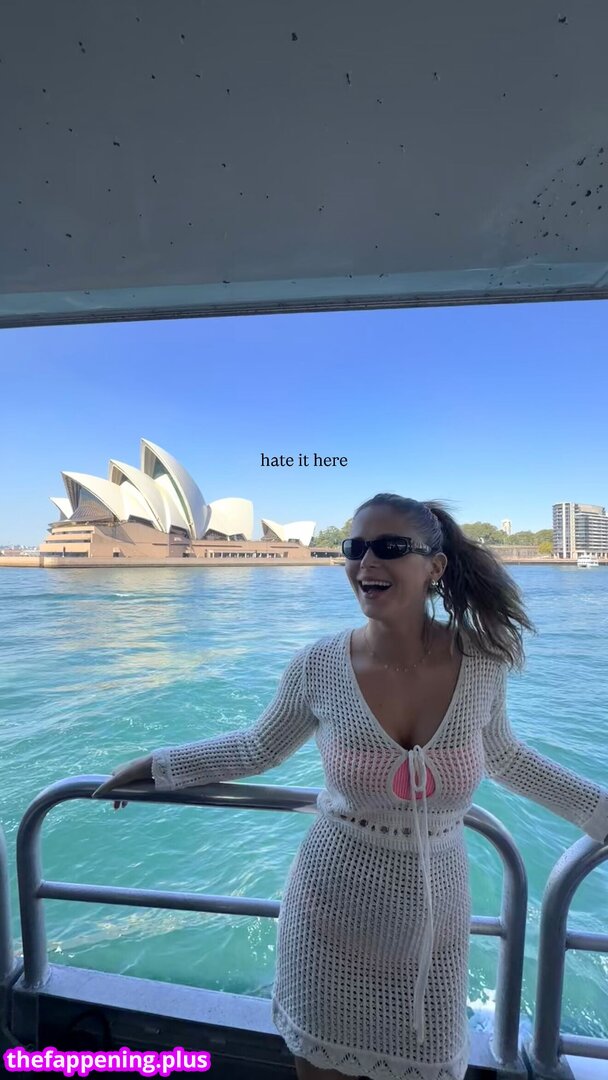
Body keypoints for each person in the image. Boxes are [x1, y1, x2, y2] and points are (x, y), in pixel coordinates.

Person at [92, 494, 608, 1080]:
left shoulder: (481, 661)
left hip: (434, 929)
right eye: (354, 548)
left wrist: (601, 813)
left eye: (389, 547)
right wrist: (157, 767)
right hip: (328, 912)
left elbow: (507, 757)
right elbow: (258, 747)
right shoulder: (319, 665)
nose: (367, 563)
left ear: (434, 567)